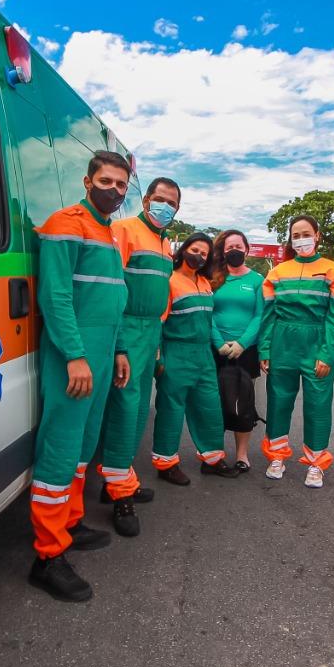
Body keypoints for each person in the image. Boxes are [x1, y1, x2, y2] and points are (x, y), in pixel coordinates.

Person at [29, 151, 131, 601]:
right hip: (76, 352)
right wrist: (74, 354)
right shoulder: (66, 223)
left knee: (85, 444)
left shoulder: (107, 232)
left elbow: (115, 298)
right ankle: (48, 556)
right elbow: (55, 296)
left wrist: (122, 348)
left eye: (122, 185)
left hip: (104, 350)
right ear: (87, 182)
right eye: (106, 181)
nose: (115, 190)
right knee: (61, 447)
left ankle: (69, 523)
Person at [95, 177, 180, 538]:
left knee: (139, 409)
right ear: (146, 200)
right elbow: (112, 289)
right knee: (125, 414)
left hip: (150, 334)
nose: (165, 206)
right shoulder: (123, 230)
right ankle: (121, 499)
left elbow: (160, 297)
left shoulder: (164, 244)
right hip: (127, 330)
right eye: (160, 199)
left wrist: (157, 339)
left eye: (172, 203)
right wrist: (120, 346)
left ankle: (117, 482)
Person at [259, 215, 334, 487]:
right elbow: (268, 315)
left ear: (317, 235)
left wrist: (327, 353)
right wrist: (265, 348)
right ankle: (276, 456)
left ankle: (316, 462)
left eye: (305, 234)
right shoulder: (277, 272)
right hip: (282, 342)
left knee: (318, 406)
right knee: (278, 403)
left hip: (316, 342)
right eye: (295, 235)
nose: (300, 240)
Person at [150, 233, 241, 479]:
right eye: (195, 249)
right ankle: (165, 464)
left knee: (210, 408)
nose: (199, 256)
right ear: (183, 249)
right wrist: (158, 357)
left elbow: (208, 322)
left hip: (203, 355)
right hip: (177, 353)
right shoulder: (169, 281)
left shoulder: (205, 283)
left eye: (204, 253)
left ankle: (212, 460)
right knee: (171, 410)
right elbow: (158, 322)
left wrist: (219, 345)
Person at [210, 230, 265, 472]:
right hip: (216, 348)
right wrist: (219, 341)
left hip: (246, 351)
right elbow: (207, 312)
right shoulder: (213, 277)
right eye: (229, 246)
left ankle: (242, 455)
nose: (234, 250)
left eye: (238, 246)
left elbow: (260, 315)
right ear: (222, 251)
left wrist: (242, 343)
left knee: (243, 402)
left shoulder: (257, 280)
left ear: (247, 249)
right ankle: (214, 453)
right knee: (214, 401)